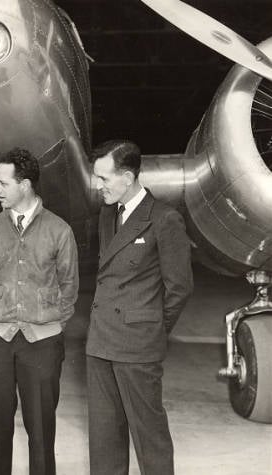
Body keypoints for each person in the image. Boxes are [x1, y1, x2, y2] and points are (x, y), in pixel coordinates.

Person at [87, 140, 193, 475]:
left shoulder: (163, 219)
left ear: (129, 176)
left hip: (137, 347)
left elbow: (180, 287)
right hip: (101, 341)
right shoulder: (108, 215)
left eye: (104, 178)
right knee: (104, 439)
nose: (97, 185)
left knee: (150, 439)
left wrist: (150, 330)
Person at [0, 147, 79, 475]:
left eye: (2, 183)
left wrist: (47, 323)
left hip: (42, 342)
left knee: (41, 434)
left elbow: (70, 287)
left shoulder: (59, 230)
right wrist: (1, 312)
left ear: (25, 185)